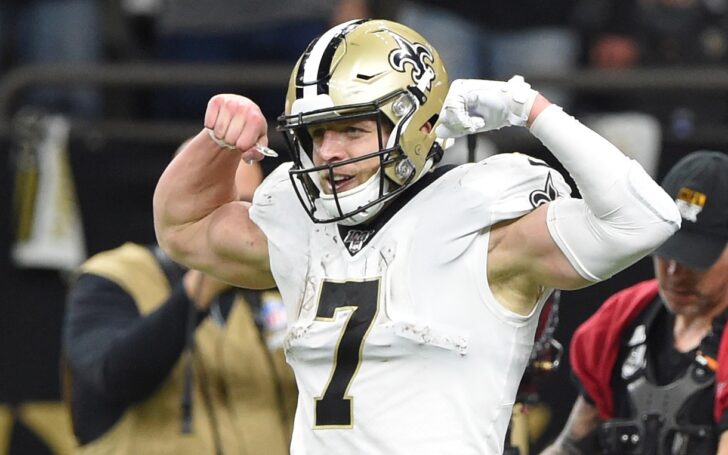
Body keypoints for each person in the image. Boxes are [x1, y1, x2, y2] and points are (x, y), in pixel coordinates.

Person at [152, 18, 681, 454]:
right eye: (318, 133)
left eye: (353, 128)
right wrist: (218, 139)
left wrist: (529, 109)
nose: (330, 151)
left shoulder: (487, 227)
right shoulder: (301, 223)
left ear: (415, 124)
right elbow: (183, 227)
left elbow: (645, 220)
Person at [62, 159, 296, 454]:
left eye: (249, 204)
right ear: (181, 198)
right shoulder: (115, 276)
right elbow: (115, 376)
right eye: (219, 202)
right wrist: (202, 284)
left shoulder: (281, 286)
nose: (238, 218)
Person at [540, 150, 728, 455]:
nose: (674, 272)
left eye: (695, 258)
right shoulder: (622, 318)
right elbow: (571, 447)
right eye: (667, 250)